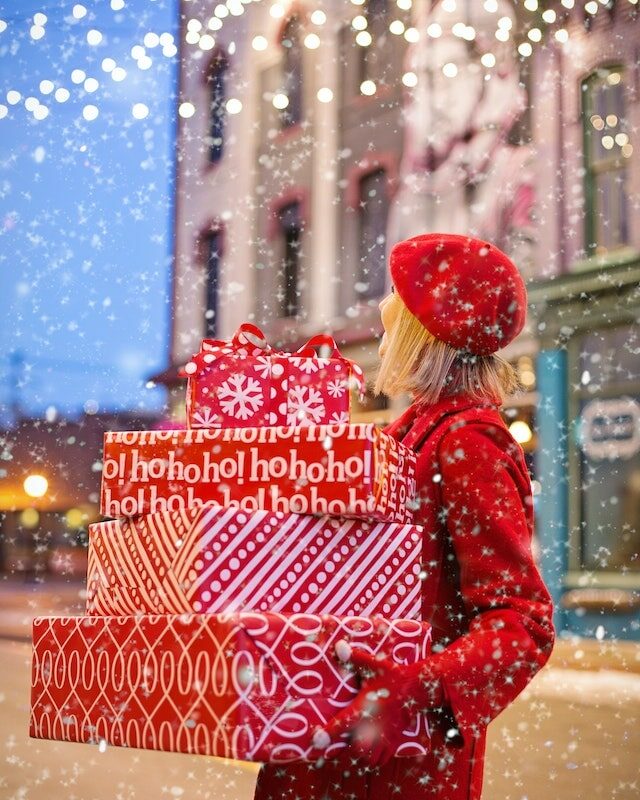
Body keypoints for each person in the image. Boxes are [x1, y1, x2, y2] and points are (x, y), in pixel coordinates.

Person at [253, 233, 556, 800]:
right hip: (326, 746)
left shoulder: (469, 442)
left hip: (392, 765)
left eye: (397, 297)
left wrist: (413, 690)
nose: (384, 311)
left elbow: (522, 625)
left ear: (427, 327)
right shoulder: (404, 436)